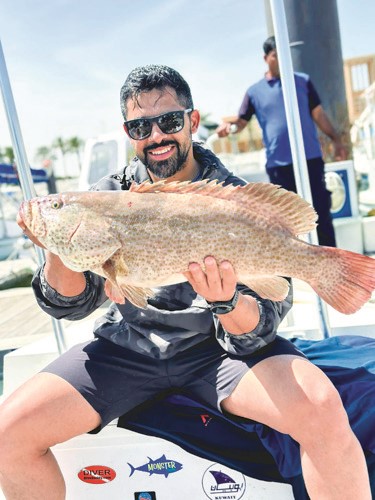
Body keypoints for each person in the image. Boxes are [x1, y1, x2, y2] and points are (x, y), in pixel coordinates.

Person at [0, 64, 370, 500]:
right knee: (8, 436)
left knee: (324, 411)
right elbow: (69, 305)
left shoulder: (233, 198)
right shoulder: (107, 198)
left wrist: (227, 302)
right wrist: (58, 244)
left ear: (192, 121)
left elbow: (261, 327)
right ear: (129, 133)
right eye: (140, 126)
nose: (156, 135)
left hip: (216, 352)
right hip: (129, 350)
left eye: (169, 121)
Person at [216, 35, 348, 247]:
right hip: (279, 165)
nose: (281, 60)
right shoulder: (254, 91)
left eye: (284, 55)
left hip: (310, 159)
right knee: (282, 221)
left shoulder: (303, 81)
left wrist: (336, 140)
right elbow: (241, 122)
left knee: (321, 211)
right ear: (266, 57)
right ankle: (288, 276)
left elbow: (319, 114)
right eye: (276, 55)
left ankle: (331, 263)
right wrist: (228, 129)